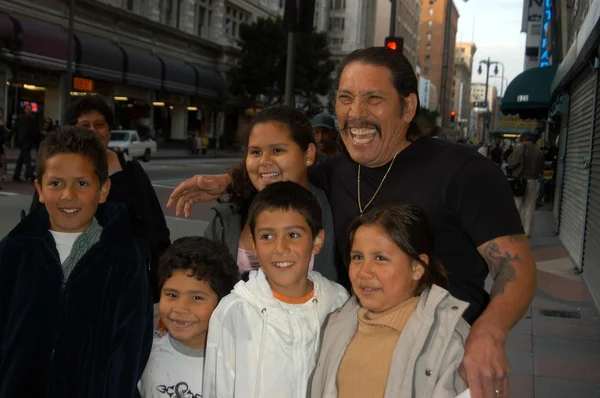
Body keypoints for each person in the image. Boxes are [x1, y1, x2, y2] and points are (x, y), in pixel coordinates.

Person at [167, 47, 537, 398]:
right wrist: (230, 181)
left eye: (373, 98)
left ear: (408, 106)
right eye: (345, 98)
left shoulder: (465, 171)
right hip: (356, 358)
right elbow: (286, 170)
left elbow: (515, 269)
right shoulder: (338, 172)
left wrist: (490, 332)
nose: (355, 113)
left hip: (437, 363)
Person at [0, 126, 153, 397]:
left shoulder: (126, 260)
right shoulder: (13, 252)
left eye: (82, 183)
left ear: (103, 189)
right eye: (56, 183)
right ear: (40, 189)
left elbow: (129, 353)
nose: (68, 195)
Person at [202, 181, 349, 398]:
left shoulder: (338, 302)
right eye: (267, 237)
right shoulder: (233, 312)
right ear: (253, 243)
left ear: (317, 241)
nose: (280, 248)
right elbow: (217, 388)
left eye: (293, 235)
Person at [310, 203, 470, 398]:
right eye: (357, 257)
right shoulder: (336, 325)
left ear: (417, 268)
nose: (364, 272)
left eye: (380, 258)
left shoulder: (448, 340)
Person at [29, 96, 171, 303]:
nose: (93, 130)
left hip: (124, 280)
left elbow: (155, 225)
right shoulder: (55, 169)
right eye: (85, 125)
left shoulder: (130, 170)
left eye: (99, 124)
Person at [203, 105, 341, 284]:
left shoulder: (337, 212)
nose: (264, 161)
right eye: (256, 152)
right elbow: (201, 287)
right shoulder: (226, 219)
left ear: (309, 154)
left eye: (277, 150)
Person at [138, 236, 240, 397]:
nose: (181, 308)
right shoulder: (143, 352)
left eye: (196, 298)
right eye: (172, 295)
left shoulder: (238, 364)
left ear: (223, 303)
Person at [507, 132, 544, 237]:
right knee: (529, 207)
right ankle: (527, 232)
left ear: (522, 139)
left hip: (519, 181)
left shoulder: (520, 148)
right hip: (533, 180)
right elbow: (542, 169)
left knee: (517, 206)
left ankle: (515, 230)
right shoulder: (538, 151)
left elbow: (511, 163)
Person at [11, 104, 38, 182]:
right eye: (28, 109)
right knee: (27, 158)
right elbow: (14, 128)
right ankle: (30, 174)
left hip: (30, 141)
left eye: (30, 109)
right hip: (23, 140)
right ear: (24, 110)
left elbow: (35, 130)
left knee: (22, 158)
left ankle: (16, 174)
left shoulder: (33, 118)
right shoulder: (20, 118)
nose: (29, 110)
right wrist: (8, 137)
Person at [0, 107, 10, 184]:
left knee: (3, 160)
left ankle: (4, 174)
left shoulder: (2, 122)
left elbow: (5, 131)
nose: (1, 114)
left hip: (1, 142)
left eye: (1, 112)